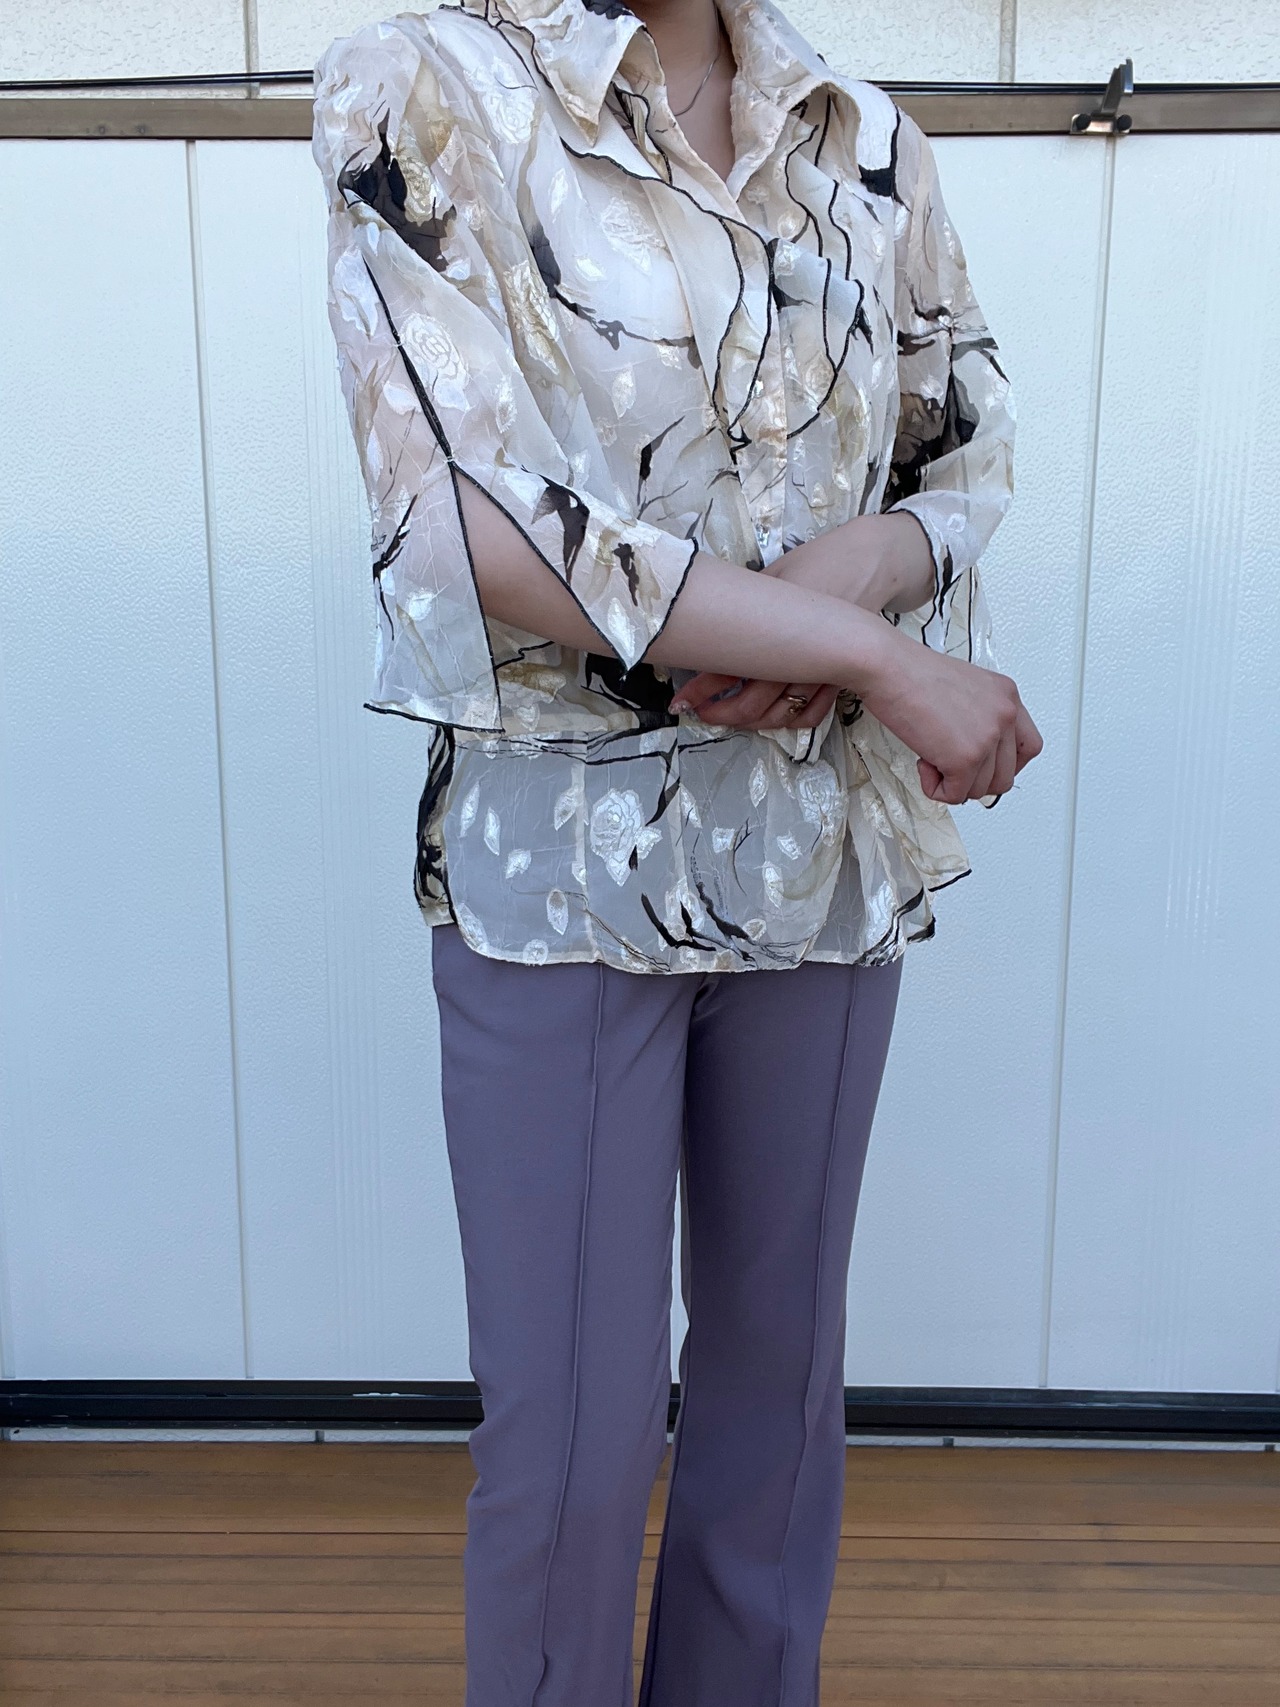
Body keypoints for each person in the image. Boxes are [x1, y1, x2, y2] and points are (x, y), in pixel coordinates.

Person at [312, 0, 1042, 1699]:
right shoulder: (426, 83)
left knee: (776, 1407)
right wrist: (862, 654)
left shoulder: (859, 130)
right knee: (570, 1444)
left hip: (815, 847)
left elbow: (963, 442)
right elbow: (458, 511)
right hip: (564, 867)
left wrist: (850, 587)